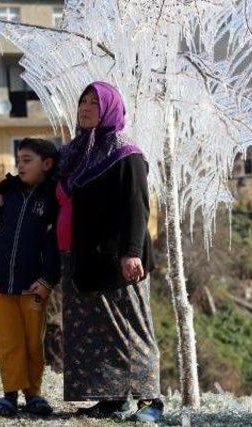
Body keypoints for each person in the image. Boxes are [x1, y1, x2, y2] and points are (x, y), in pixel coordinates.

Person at [57, 81, 163, 422]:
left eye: (94, 103)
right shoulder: (75, 154)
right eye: (82, 101)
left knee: (131, 329)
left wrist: (131, 251)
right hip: (81, 258)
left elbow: (137, 206)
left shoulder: (125, 153)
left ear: (110, 109)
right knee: (96, 331)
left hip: (118, 260)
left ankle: (150, 403)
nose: (86, 108)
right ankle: (111, 398)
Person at [0, 138, 60, 417]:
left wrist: (48, 279)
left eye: (27, 160)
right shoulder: (7, 195)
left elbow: (54, 244)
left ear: (46, 164)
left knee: (33, 341)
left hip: (33, 285)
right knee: (8, 341)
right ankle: (9, 396)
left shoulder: (51, 199)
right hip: (1, 283)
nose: (20, 165)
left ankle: (34, 395)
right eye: (18, 159)